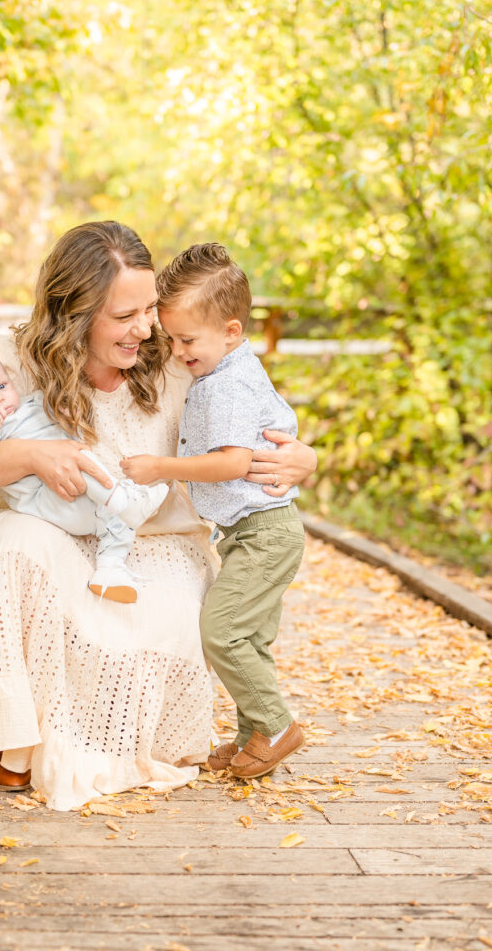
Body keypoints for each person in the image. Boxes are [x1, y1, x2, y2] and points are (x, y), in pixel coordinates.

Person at [0, 221, 316, 811]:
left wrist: (303, 456)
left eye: (150, 310)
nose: (147, 328)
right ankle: (7, 742)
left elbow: (255, 411)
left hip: (156, 544)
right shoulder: (4, 366)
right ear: (73, 312)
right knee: (7, 541)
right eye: (127, 316)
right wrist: (27, 455)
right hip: (55, 536)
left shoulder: (178, 356)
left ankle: (95, 738)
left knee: (165, 612)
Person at [122, 242, 305, 778]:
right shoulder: (222, 372)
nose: (178, 351)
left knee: (221, 631)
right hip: (256, 531)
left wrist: (161, 467)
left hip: (262, 533)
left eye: (186, 340)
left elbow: (230, 463)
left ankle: (276, 725)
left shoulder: (227, 385)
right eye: (171, 338)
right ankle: (252, 734)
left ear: (230, 331)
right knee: (250, 638)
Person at [0, 346, 169, 602]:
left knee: (116, 525)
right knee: (77, 460)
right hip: (46, 498)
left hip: (80, 499)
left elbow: (58, 410)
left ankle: (110, 570)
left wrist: (67, 412)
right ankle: (123, 499)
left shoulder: (31, 403)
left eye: (2, 386)